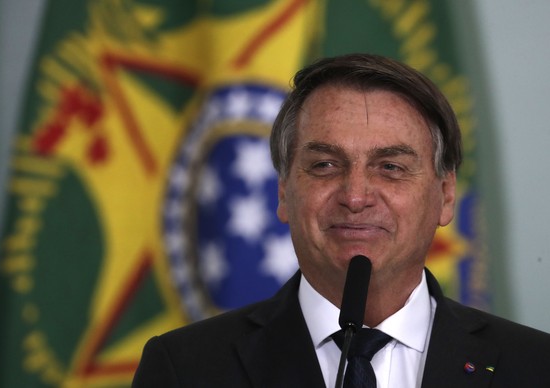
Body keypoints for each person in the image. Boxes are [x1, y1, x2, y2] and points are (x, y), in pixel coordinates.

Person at [133, 53, 550, 387]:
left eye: (390, 167)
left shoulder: (534, 367)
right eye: (325, 164)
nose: (354, 196)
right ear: (283, 193)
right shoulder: (185, 370)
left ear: (445, 195)